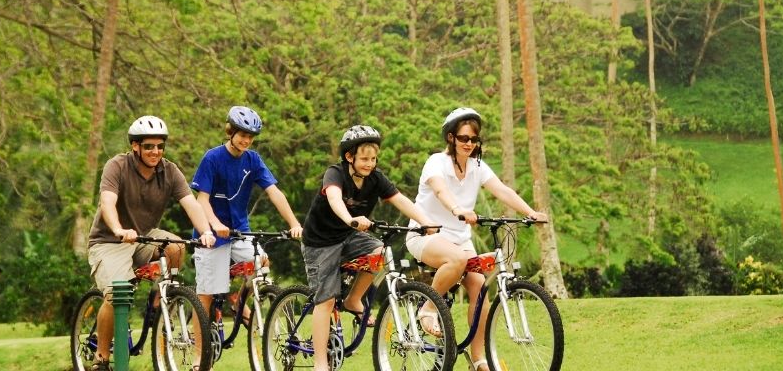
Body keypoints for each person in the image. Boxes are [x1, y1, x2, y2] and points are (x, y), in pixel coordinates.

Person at [405, 108, 547, 371]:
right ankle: (428, 308)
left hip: (459, 240)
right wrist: (457, 209)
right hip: (426, 236)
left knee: (479, 287)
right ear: (450, 138)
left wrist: (530, 213)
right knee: (458, 259)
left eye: (473, 140)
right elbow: (440, 189)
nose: (469, 144)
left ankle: (478, 358)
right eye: (463, 138)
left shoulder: (477, 166)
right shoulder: (437, 162)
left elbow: (502, 190)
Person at [301, 125, 439, 371]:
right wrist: (349, 219)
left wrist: (424, 221)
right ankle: (320, 363)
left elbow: (400, 199)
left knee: (378, 250)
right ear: (349, 157)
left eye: (373, 159)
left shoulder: (376, 178)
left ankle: (354, 299)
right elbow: (334, 198)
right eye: (364, 158)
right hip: (320, 242)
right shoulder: (335, 173)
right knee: (326, 299)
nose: (369, 163)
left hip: (349, 236)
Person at [85, 115, 217, 371]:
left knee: (176, 246)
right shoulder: (117, 166)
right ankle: (101, 358)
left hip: (144, 236)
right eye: (148, 146)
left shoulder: (169, 170)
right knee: (117, 294)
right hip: (109, 240)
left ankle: (162, 299)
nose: (155, 151)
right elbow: (107, 203)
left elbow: (190, 203)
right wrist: (118, 229)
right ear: (135, 146)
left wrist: (206, 231)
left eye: (159, 146)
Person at [189, 105, 304, 357]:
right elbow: (202, 200)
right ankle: (200, 357)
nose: (246, 140)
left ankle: (238, 302)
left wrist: (294, 223)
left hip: (240, 231)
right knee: (205, 296)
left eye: (250, 137)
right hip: (211, 235)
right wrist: (214, 224)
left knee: (261, 262)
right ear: (230, 131)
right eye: (242, 134)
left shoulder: (253, 160)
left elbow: (274, 192)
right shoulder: (213, 157)